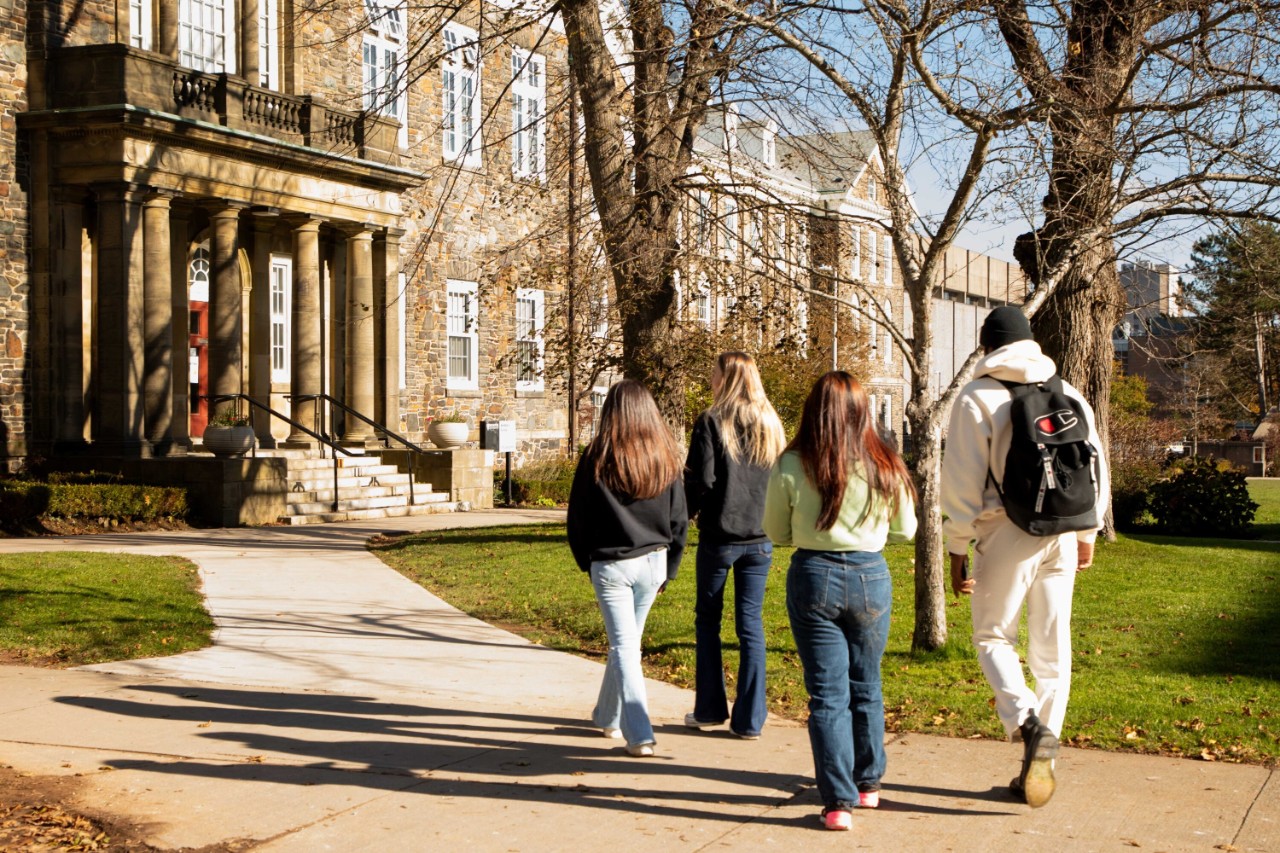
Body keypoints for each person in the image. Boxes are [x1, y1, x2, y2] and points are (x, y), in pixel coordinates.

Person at [941, 305, 1110, 808]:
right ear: (1029, 341)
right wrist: (1089, 532)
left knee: (993, 635)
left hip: (1006, 531)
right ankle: (1042, 761)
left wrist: (956, 547)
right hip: (1064, 531)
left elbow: (962, 484)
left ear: (986, 345)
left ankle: (1027, 723)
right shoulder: (1068, 391)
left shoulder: (977, 396)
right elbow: (1096, 464)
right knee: (1053, 653)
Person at [763, 372, 917, 831]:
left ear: (814, 410)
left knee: (827, 694)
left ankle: (837, 804)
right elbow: (906, 530)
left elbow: (775, 532)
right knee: (866, 683)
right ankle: (869, 783)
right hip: (870, 574)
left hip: (814, 573)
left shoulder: (792, 463)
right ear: (862, 411)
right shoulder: (884, 461)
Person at [567, 379, 689, 758]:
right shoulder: (665, 455)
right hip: (653, 561)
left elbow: (578, 519)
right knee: (627, 644)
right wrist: (670, 568)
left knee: (624, 646)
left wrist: (586, 561)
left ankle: (639, 733)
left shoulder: (596, 457)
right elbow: (679, 519)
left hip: (613, 565)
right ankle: (607, 715)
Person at [684, 352, 787, 740]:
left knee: (707, 620)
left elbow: (702, 480)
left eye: (714, 372)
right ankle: (749, 719)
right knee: (751, 626)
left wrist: (682, 517)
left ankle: (709, 708)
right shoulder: (770, 423)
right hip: (760, 539)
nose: (710, 378)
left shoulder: (711, 421)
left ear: (726, 378)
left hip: (720, 537)